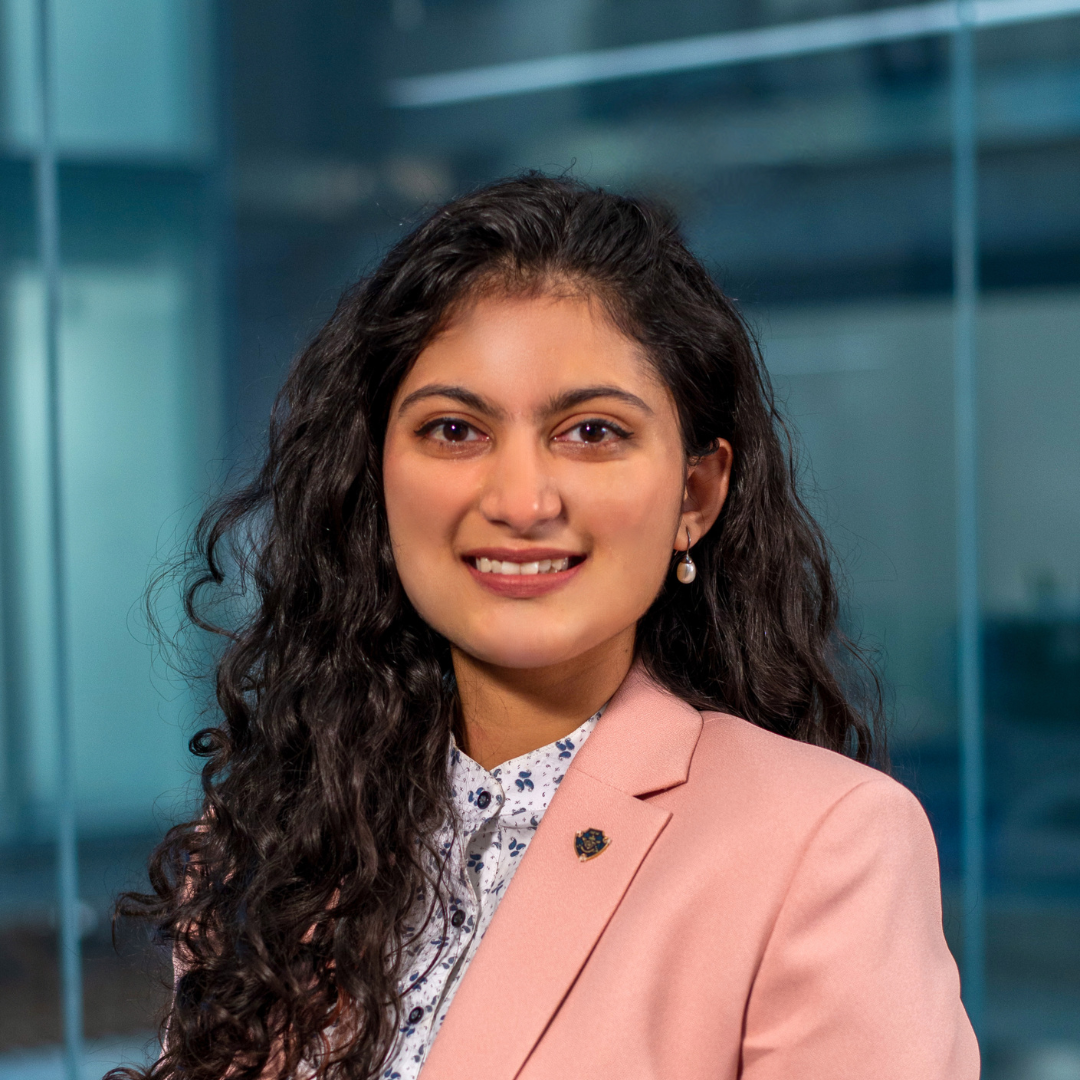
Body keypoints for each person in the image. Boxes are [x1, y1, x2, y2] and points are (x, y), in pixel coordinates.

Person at [117, 175, 979, 1080]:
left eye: (592, 432)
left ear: (696, 494)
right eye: (454, 430)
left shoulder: (825, 844)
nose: (521, 502)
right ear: (375, 479)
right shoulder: (268, 830)